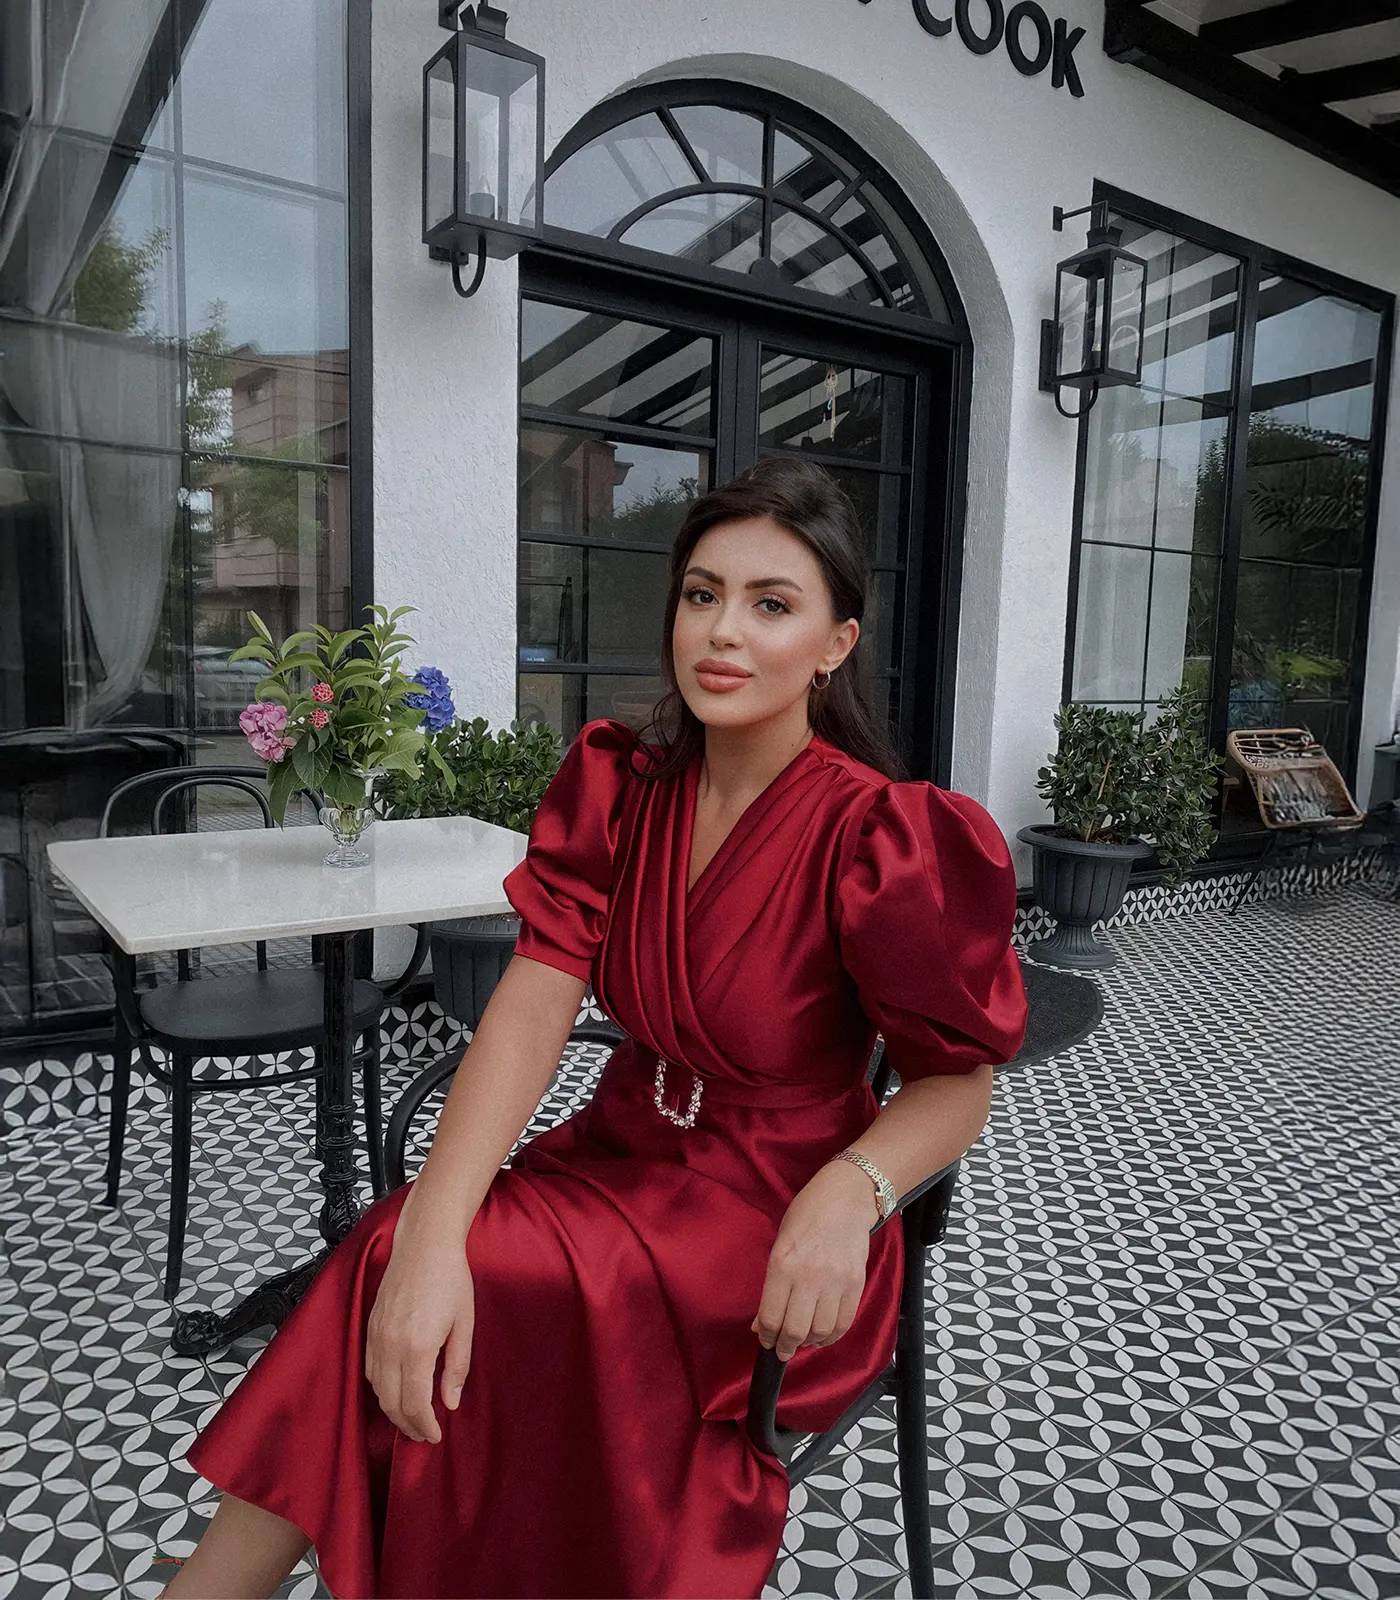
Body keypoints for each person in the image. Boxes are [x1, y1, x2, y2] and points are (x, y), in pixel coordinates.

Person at [167, 458, 1028, 1600]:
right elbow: (530, 1010)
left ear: (835, 644)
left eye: (771, 604)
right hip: (618, 1159)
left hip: (771, 1221)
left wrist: (851, 1190)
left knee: (442, 1285)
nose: (723, 631)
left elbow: (956, 1082)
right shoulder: (623, 790)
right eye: (701, 593)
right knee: (406, 1261)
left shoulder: (885, 837)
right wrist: (432, 1230)